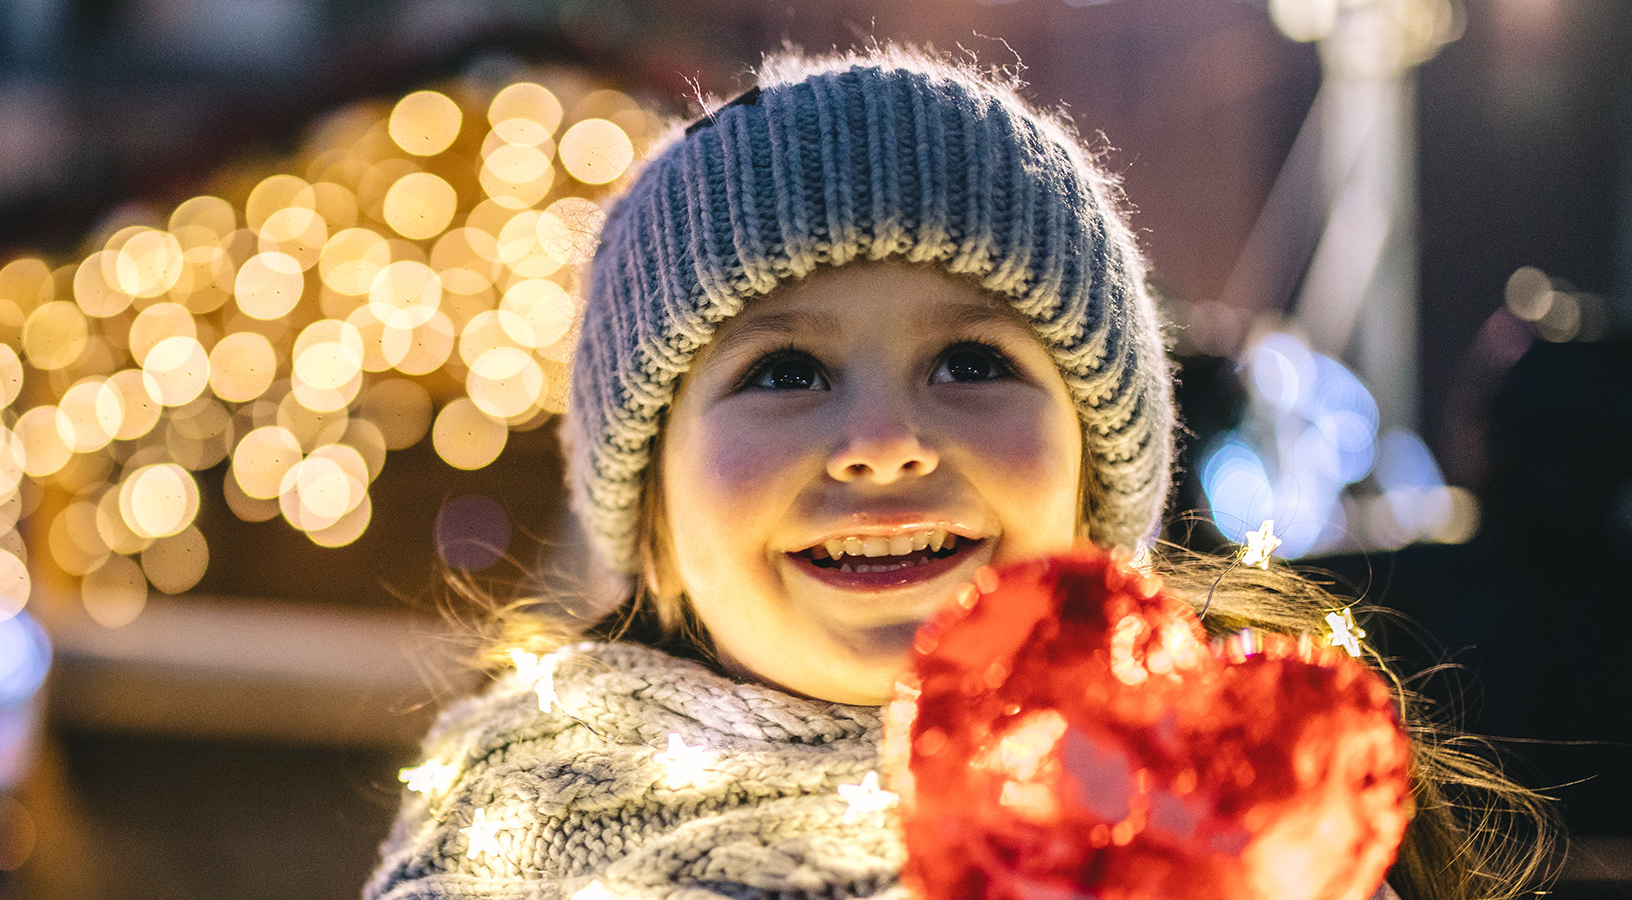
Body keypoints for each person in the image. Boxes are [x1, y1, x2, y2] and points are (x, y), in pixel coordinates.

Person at [364, 47, 1550, 900]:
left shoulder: (1241, 805)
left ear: (1097, 471)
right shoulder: (508, 833)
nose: (884, 441)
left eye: (972, 359)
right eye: (784, 372)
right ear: (653, 507)